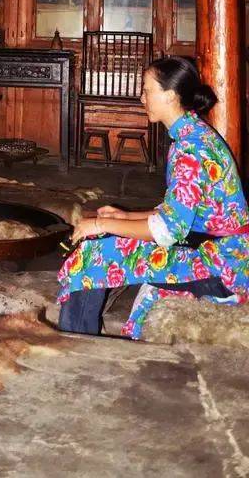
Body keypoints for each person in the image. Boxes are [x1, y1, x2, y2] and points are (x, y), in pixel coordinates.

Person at [58, 56, 249, 338]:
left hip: (218, 267)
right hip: (218, 253)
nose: (141, 98)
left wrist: (100, 224)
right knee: (102, 235)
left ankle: (76, 344)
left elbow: (169, 230)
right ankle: (81, 334)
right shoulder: (193, 134)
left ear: (170, 95)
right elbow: (179, 211)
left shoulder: (192, 149)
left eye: (147, 91)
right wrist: (124, 216)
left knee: (92, 254)